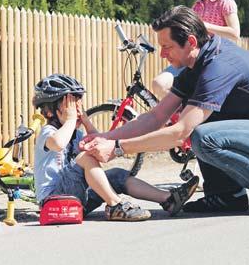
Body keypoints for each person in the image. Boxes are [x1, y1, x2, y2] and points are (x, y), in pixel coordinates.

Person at [81, 6, 249, 216]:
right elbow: (156, 117)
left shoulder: (218, 65)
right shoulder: (193, 68)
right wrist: (105, 138)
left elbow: (180, 132)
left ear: (191, 42)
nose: (163, 54)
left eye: (167, 47)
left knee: (201, 135)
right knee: (202, 127)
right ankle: (226, 196)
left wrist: (119, 148)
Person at [33, 73, 199, 221]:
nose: (75, 111)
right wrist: (70, 120)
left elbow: (95, 147)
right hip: (55, 200)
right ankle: (115, 205)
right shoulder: (48, 132)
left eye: (77, 105)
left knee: (116, 175)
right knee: (84, 158)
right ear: (50, 113)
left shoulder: (76, 134)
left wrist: (86, 121)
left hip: (78, 200)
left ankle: (168, 199)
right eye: (69, 106)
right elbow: (57, 144)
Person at [152, 0, 240, 98]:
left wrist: (203, 25)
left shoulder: (225, 2)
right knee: (159, 83)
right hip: (195, 60)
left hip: (216, 61)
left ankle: (189, 116)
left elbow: (235, 34)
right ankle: (180, 115)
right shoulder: (196, 7)